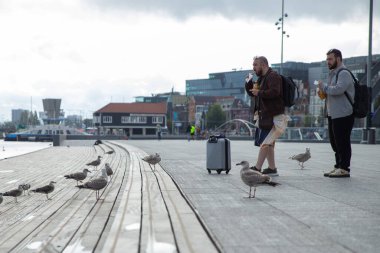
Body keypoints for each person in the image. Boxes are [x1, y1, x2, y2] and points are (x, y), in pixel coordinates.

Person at [245, 56, 288, 176]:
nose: (253, 68)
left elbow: (275, 92)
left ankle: (258, 168)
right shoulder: (262, 78)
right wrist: (248, 83)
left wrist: (260, 92)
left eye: (255, 65)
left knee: (265, 142)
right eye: (253, 65)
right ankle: (272, 168)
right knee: (269, 143)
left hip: (274, 117)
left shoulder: (273, 76)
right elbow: (253, 93)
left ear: (263, 65)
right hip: (266, 116)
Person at [317, 49, 355, 178]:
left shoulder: (343, 73)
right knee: (335, 142)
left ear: (338, 59)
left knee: (342, 141)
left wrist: (325, 87)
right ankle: (338, 166)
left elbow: (339, 89)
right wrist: (323, 92)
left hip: (343, 113)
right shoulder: (333, 73)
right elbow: (332, 92)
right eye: (327, 59)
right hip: (333, 113)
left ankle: (344, 168)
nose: (328, 62)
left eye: (330, 59)